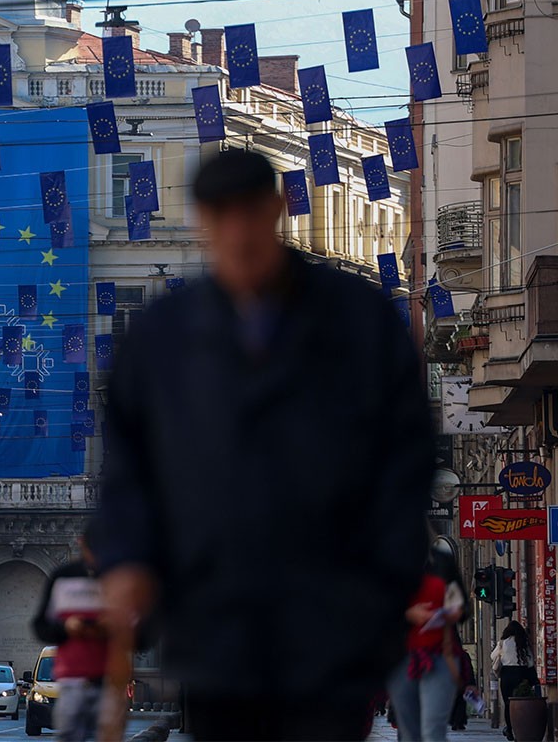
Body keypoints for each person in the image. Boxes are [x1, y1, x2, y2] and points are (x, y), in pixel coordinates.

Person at [96, 148, 436, 741]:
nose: (237, 233)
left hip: (333, 620)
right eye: (219, 217)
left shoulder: (358, 321)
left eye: (249, 213)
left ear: (276, 209)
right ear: (201, 221)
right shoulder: (162, 338)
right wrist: (129, 558)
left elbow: (405, 460)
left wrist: (381, 588)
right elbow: (130, 468)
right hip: (213, 622)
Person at [31, 525, 107, 742]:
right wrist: (66, 628)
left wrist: (114, 626)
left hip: (110, 681)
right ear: (83, 544)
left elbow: (142, 635)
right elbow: (40, 627)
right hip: (71, 680)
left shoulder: (121, 579)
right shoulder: (63, 579)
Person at [387, 541, 467, 742]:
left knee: (433, 730)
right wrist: (408, 614)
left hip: (441, 654)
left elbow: (464, 605)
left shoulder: (442, 560)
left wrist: (457, 611)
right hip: (401, 657)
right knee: (408, 732)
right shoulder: (386, 563)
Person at [492, 620, 538, 740]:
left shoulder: (503, 642)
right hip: (521, 674)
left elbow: (493, 656)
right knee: (521, 704)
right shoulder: (524, 642)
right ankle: (520, 729)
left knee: (509, 704)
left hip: (507, 675)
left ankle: (510, 729)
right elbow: (530, 661)